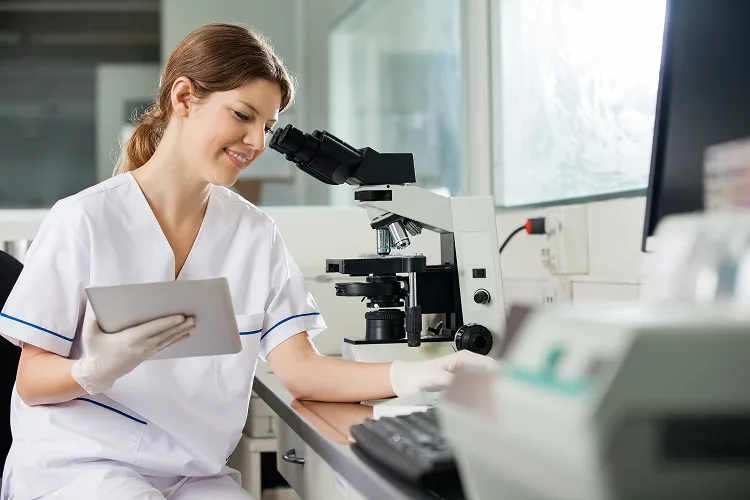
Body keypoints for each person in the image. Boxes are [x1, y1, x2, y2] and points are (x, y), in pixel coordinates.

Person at [0, 23, 497, 500]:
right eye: (243, 116)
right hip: (83, 467)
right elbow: (32, 380)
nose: (258, 142)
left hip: (192, 474)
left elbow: (301, 370)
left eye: (268, 125)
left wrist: (411, 377)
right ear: (183, 98)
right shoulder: (83, 220)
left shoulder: (254, 234)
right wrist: (94, 370)